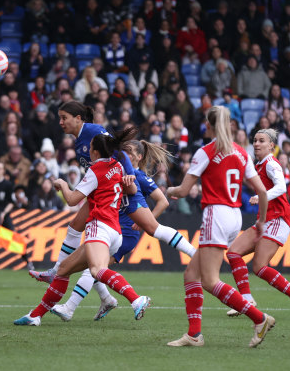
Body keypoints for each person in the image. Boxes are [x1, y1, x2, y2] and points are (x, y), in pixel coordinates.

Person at [29, 101, 196, 285]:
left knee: (152, 228)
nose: (61, 122)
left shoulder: (93, 131)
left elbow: (120, 152)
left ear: (78, 118)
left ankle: (194, 255)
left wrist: (130, 176)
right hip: (104, 189)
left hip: (121, 187)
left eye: (64, 118)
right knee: (76, 225)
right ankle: (57, 270)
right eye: (60, 118)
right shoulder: (79, 141)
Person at [14, 129, 152, 326]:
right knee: (63, 269)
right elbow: (131, 189)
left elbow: (72, 200)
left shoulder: (95, 171)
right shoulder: (119, 166)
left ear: (94, 153)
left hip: (100, 226)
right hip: (115, 232)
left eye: (90, 149)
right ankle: (35, 316)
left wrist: (62, 183)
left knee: (96, 270)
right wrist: (128, 181)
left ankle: (136, 299)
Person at [166, 106, 275, 348]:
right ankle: (194, 335)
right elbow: (262, 192)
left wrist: (169, 190)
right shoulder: (240, 152)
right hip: (235, 215)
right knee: (191, 275)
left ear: (210, 125)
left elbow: (183, 191)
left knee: (210, 280)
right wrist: (261, 221)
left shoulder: (205, 152)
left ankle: (259, 318)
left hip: (215, 213)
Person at [51, 139, 171, 321]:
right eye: (124, 151)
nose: (126, 155)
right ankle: (106, 299)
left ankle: (70, 307)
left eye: (130, 152)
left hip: (124, 231)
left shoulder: (138, 177)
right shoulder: (119, 171)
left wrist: (147, 221)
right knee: (95, 267)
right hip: (111, 227)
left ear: (139, 157)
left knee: (94, 268)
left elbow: (163, 201)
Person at [226, 129, 290, 318]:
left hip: (279, 218)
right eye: (255, 140)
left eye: (261, 141)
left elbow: (281, 187)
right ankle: (247, 299)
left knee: (259, 267)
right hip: (265, 219)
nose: (256, 143)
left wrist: (260, 196)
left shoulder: (271, 163)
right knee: (233, 253)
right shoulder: (260, 164)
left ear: (272, 145)